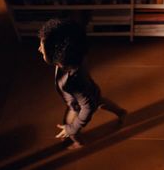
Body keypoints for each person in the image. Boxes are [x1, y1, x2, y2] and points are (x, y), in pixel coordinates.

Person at [38, 18, 127, 149]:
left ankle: (77, 142)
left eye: (42, 48)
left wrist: (72, 128)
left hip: (78, 104)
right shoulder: (77, 56)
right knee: (100, 101)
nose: (39, 48)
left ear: (58, 57)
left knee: (69, 123)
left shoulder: (70, 81)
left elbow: (88, 107)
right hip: (92, 89)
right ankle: (121, 112)